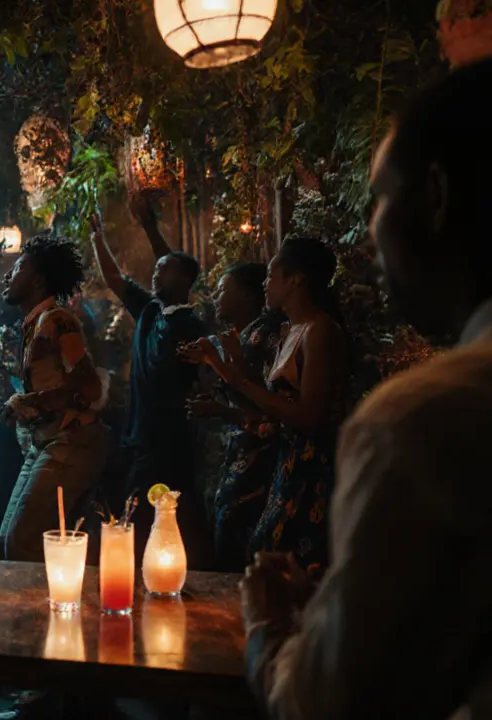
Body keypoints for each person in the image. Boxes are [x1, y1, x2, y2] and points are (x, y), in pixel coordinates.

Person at [243, 60, 492, 719]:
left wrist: (269, 620)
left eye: (379, 198)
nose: (373, 232)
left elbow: (323, 700)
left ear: (435, 195)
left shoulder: (422, 422)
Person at [188, 238, 346, 570]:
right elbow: (267, 401)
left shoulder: (320, 331)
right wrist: (228, 366)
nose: (265, 283)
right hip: (285, 464)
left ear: (296, 280)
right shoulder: (292, 330)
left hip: (311, 470)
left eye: (272, 275)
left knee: (288, 565)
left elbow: (311, 416)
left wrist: (238, 380)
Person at [93, 201, 211, 567]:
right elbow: (115, 280)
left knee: (162, 516)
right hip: (138, 436)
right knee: (136, 512)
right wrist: (97, 238)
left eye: (165, 270)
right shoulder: (148, 309)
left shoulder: (192, 326)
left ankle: (163, 577)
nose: (156, 275)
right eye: (157, 269)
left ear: (185, 281)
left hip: (170, 443)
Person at [0, 232, 108, 562]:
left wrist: (29, 402)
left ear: (38, 281)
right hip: (46, 443)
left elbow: (89, 386)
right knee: (6, 543)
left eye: (18, 268)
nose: (8, 275)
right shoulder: (35, 323)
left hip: (71, 442)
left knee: (21, 545)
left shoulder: (57, 319)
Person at [183, 263, 284, 571]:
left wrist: (220, 409)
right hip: (240, 448)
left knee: (240, 538)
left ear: (247, 295)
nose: (216, 296)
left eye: (223, 289)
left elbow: (266, 406)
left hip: (262, 453)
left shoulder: (264, 335)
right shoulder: (239, 336)